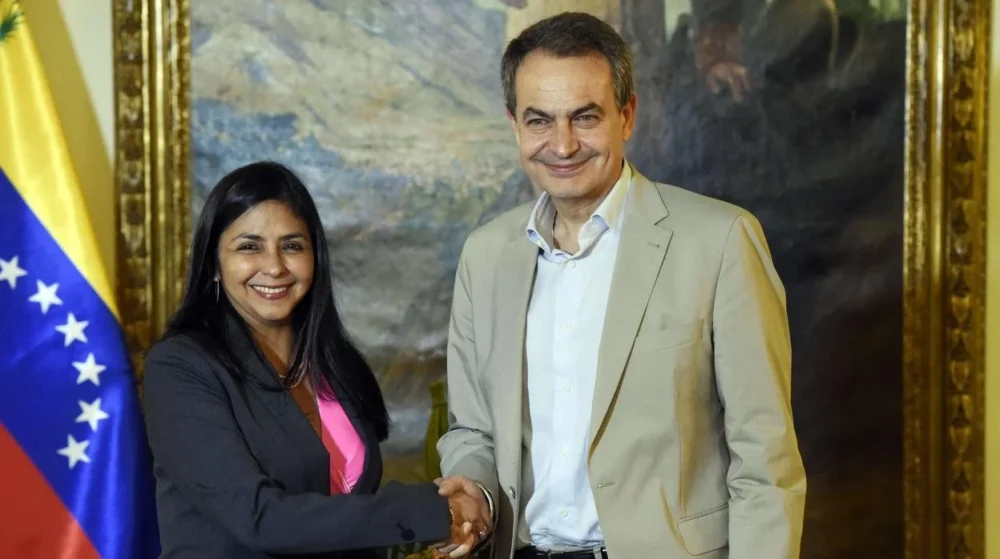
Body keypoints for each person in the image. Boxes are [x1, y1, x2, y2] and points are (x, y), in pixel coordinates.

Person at [436, 12, 807, 559]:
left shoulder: (721, 241)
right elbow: (473, 432)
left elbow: (765, 460)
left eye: (585, 117)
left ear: (626, 115)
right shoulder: (485, 255)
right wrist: (477, 494)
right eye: (539, 120)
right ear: (515, 124)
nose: (563, 144)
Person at [142, 161, 489, 558]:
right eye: (249, 247)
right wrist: (434, 511)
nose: (275, 266)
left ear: (315, 258)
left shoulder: (335, 365)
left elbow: (350, 514)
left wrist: (452, 512)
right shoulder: (180, 368)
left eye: (292, 246)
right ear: (214, 265)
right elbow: (261, 518)